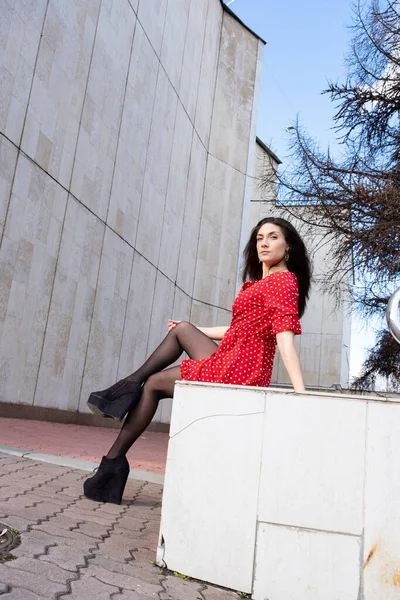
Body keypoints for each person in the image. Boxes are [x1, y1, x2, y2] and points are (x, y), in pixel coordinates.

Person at [83, 217, 311, 504]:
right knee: (182, 330)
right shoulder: (262, 284)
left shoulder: (283, 282)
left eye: (273, 237)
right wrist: (195, 330)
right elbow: (237, 330)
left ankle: (115, 448)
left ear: (288, 245)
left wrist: (301, 394)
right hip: (233, 358)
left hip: (242, 369)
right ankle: (118, 430)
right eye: (259, 238)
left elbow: (284, 338)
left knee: (153, 383)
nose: (264, 243)